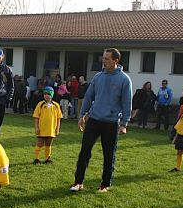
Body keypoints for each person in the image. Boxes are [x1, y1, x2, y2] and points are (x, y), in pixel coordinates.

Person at [70, 48, 132, 193]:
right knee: (84, 150)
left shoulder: (124, 79)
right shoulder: (98, 77)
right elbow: (89, 96)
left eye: (107, 59)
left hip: (111, 123)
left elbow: (127, 102)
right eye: (103, 58)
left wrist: (124, 123)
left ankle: (105, 184)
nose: (103, 61)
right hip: (94, 120)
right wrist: (82, 115)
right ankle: (78, 182)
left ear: (116, 61)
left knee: (109, 154)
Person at [32, 86, 62, 165]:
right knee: (40, 143)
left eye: (48, 94)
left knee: (48, 144)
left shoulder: (56, 105)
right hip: (42, 129)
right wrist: (37, 127)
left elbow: (59, 118)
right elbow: (36, 117)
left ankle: (47, 158)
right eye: (45, 94)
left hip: (51, 129)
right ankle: (37, 158)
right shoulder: (40, 104)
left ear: (52, 95)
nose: (46, 96)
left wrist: (57, 129)